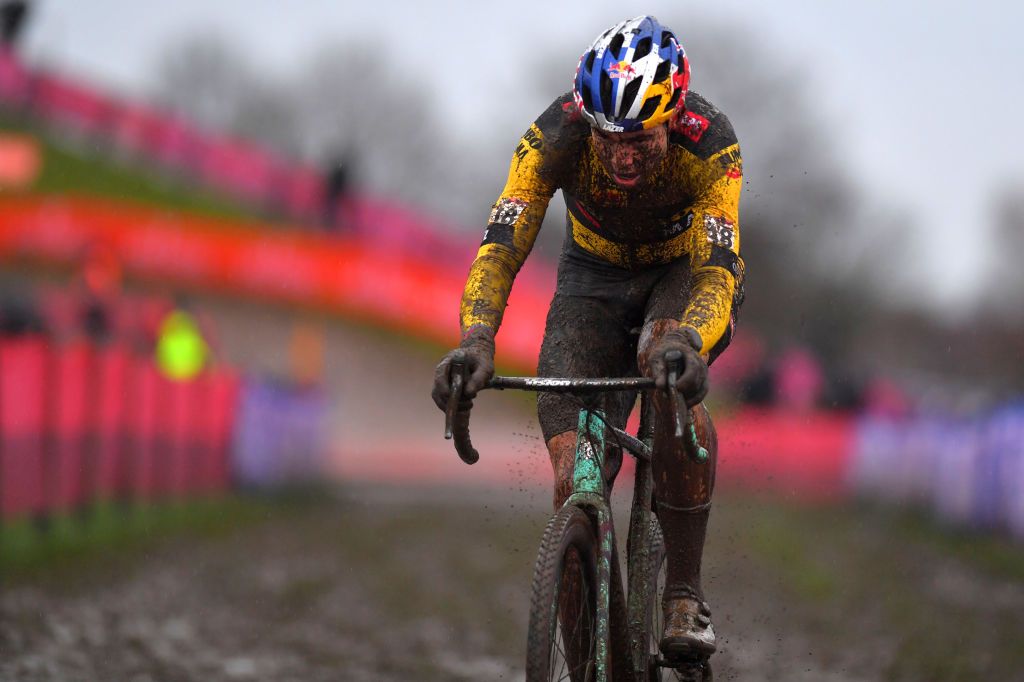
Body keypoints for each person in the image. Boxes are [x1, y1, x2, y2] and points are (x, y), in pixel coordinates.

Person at [431, 15, 744, 662]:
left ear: (673, 115)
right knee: (573, 472)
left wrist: (690, 337)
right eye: (609, 138)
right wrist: (476, 338)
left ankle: (684, 595)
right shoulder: (554, 135)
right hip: (592, 279)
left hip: (679, 272)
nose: (624, 154)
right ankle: (585, 660)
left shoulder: (710, 144)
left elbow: (718, 269)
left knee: (661, 357)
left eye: (641, 138)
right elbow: (501, 243)